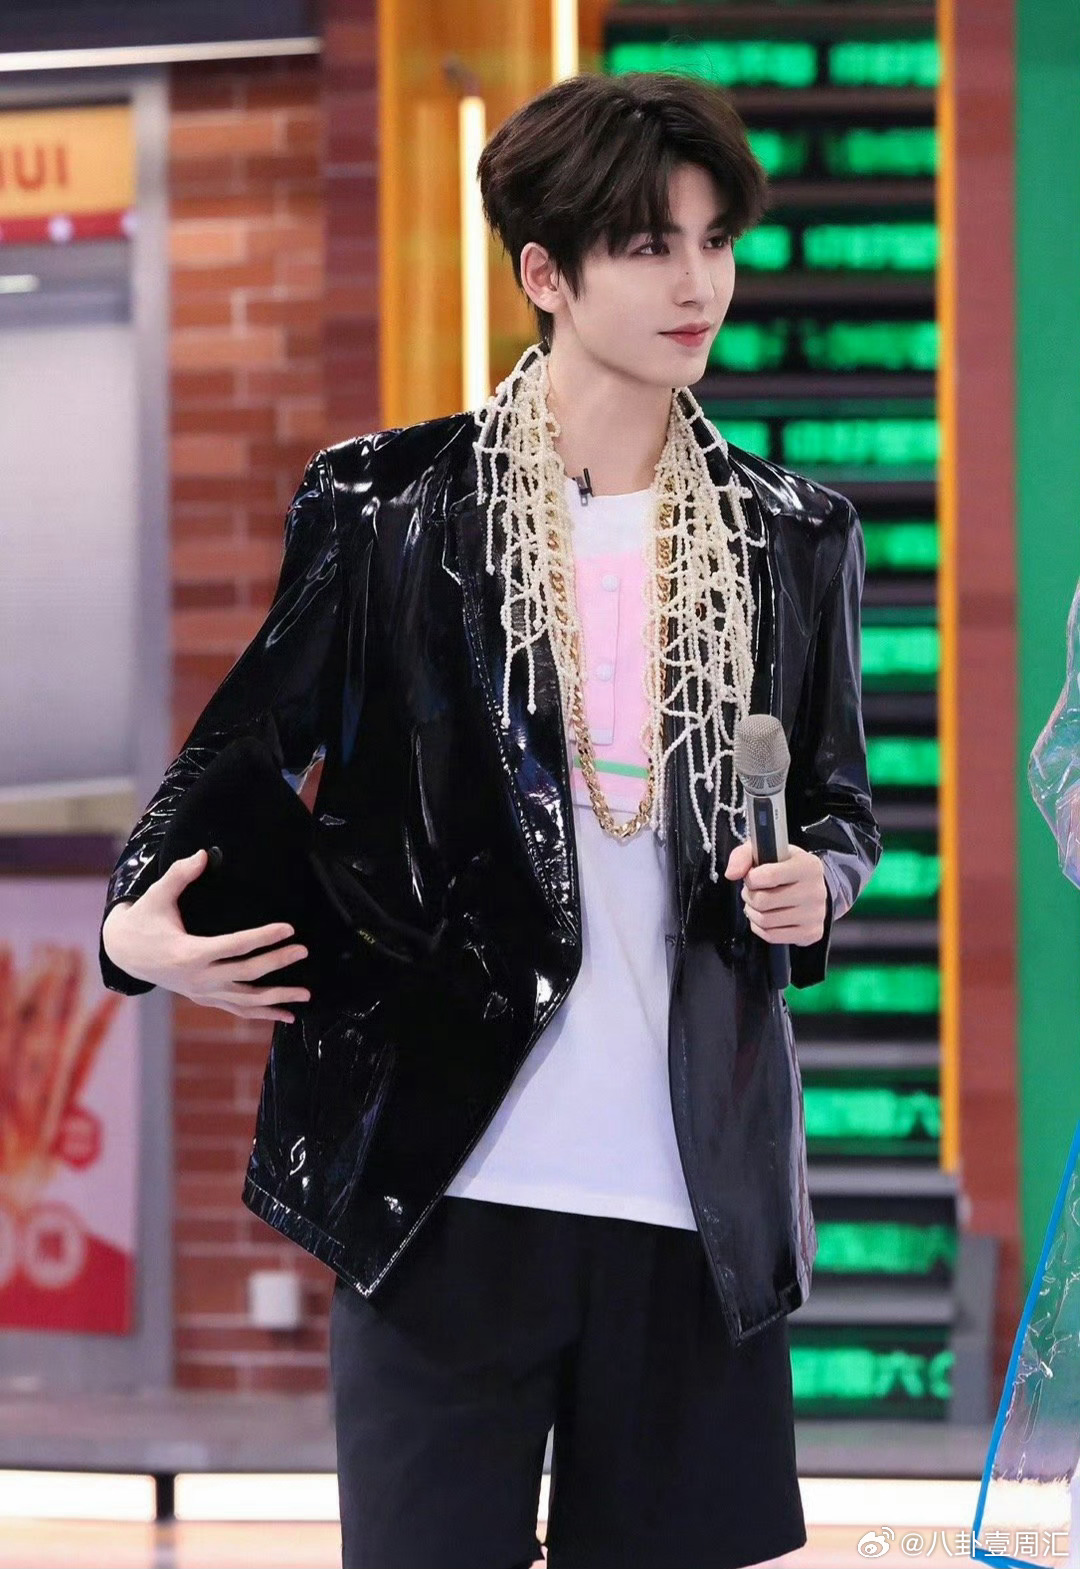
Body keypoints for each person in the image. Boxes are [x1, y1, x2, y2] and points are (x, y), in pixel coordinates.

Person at [100, 70, 880, 1569]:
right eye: (650, 245)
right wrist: (140, 929)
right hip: (442, 1185)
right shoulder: (389, 508)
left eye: (716, 241)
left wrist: (821, 883)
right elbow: (242, 745)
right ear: (546, 272)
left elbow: (841, 805)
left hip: (692, 1201)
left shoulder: (793, 535)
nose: (699, 284)